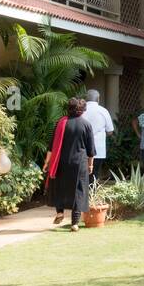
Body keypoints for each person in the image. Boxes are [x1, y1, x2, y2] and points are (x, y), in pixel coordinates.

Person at [45, 97, 96, 231]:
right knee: (78, 191)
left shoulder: (61, 123)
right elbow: (91, 150)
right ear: (83, 110)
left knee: (59, 187)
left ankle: (60, 212)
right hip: (79, 163)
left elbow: (51, 146)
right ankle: (74, 223)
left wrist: (47, 162)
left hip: (60, 162)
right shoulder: (86, 125)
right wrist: (90, 165)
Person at [81, 89, 114, 182]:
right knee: (94, 174)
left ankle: (82, 194)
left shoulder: (81, 110)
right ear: (98, 99)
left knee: (82, 175)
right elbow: (110, 131)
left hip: (82, 148)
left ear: (86, 98)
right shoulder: (103, 111)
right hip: (98, 149)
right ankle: (92, 194)